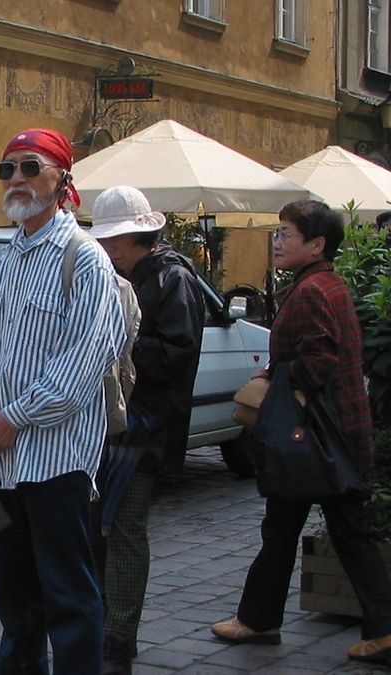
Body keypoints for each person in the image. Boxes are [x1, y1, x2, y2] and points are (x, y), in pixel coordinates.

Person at [0, 128, 125, 673]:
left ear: (62, 179)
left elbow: (85, 359)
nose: (16, 179)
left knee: (69, 597)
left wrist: (16, 416)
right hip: (5, 461)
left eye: (30, 167)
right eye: (6, 169)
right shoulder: (7, 261)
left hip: (57, 461)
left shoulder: (84, 259)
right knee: (15, 599)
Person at [210, 200, 391, 664]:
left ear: (317, 244)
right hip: (326, 437)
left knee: (341, 533)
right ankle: (259, 619)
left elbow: (318, 362)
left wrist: (276, 382)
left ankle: (382, 629)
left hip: (318, 440)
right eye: (278, 233)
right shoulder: (325, 284)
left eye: (287, 234)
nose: (277, 242)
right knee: (284, 528)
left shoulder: (311, 291)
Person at [87, 186, 205, 674]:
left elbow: (177, 354)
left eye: (116, 239)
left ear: (138, 237)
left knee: (125, 528)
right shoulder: (117, 275)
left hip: (146, 425)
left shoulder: (171, 279)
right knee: (98, 527)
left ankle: (118, 638)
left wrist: (118, 345)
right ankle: (98, 625)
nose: (109, 247)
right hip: (110, 422)